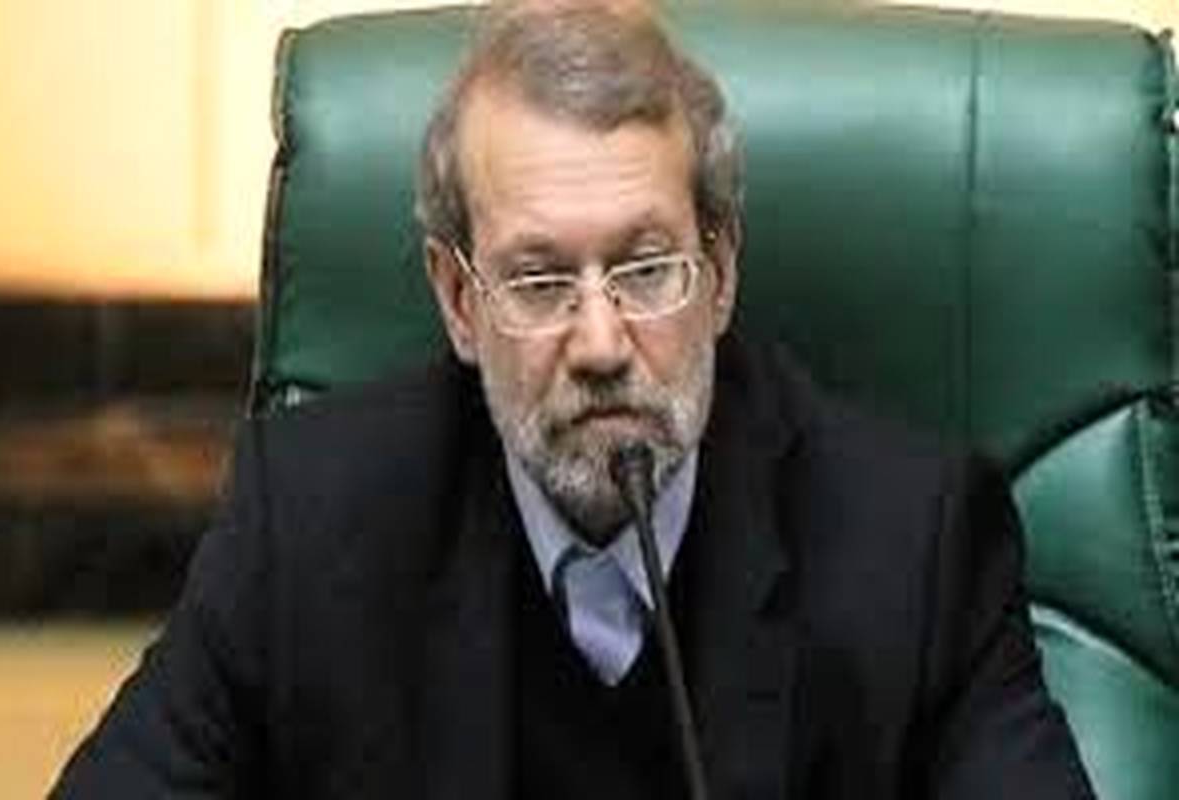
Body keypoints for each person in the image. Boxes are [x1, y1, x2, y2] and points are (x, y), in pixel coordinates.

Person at [53, 2, 1094, 797]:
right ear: (459, 300)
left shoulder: (914, 545)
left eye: (646, 270)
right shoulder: (312, 521)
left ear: (721, 271)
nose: (600, 344)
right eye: (541, 281)